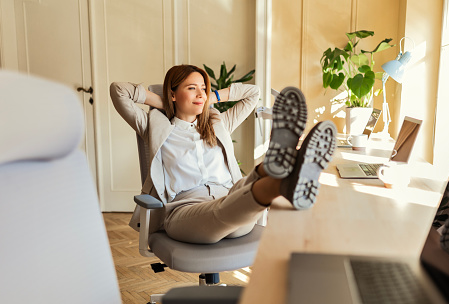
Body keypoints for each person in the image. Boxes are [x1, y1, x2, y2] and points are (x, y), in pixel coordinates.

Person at [110, 64, 336, 244]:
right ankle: (275, 178)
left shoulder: (219, 123)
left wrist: (211, 98)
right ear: (173, 93)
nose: (201, 94)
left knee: (236, 198)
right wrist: (164, 103)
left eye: (203, 88)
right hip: (184, 211)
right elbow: (119, 90)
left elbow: (253, 93)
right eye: (191, 88)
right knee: (222, 210)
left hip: (231, 197)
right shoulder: (154, 126)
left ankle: (273, 171)